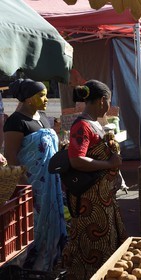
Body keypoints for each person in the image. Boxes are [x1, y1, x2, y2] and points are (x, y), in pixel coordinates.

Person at [61, 80, 127, 279]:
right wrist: (109, 164)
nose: (109, 106)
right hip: (90, 201)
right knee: (91, 244)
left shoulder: (95, 124)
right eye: (109, 102)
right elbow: (76, 160)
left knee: (106, 241)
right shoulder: (82, 126)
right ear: (102, 100)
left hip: (102, 197)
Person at [3, 78, 67, 271]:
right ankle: (31, 269)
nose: (46, 99)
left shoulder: (42, 117)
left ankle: (48, 264)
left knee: (51, 222)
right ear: (29, 99)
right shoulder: (16, 121)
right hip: (32, 185)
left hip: (51, 182)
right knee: (33, 227)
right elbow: (11, 156)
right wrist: (25, 186)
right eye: (42, 95)